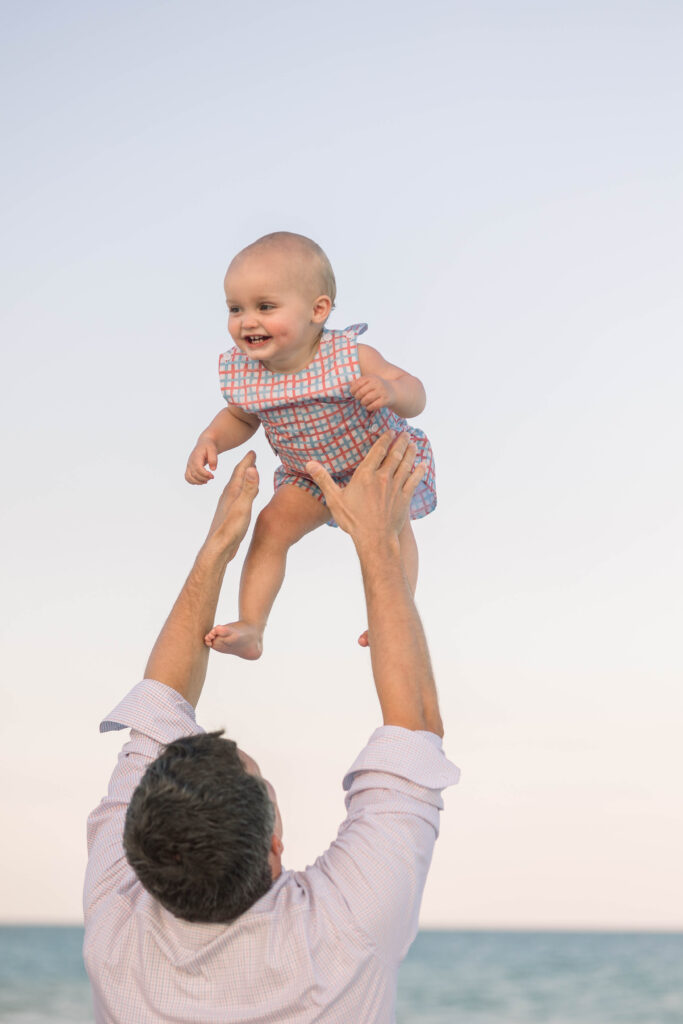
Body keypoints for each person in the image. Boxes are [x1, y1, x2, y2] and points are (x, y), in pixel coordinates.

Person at [84, 433, 459, 1024]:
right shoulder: (345, 929)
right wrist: (378, 542)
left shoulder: (115, 925)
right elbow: (416, 726)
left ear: (132, 846)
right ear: (275, 848)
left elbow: (156, 707)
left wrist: (218, 550)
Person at [185, 231, 436, 659]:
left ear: (318, 310)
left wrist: (390, 392)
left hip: (375, 467)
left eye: (265, 307)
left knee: (392, 535)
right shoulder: (245, 372)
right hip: (309, 475)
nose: (248, 320)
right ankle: (252, 626)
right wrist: (210, 439)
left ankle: (395, 614)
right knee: (269, 528)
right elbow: (240, 417)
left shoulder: (347, 355)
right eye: (235, 308)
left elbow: (415, 390)